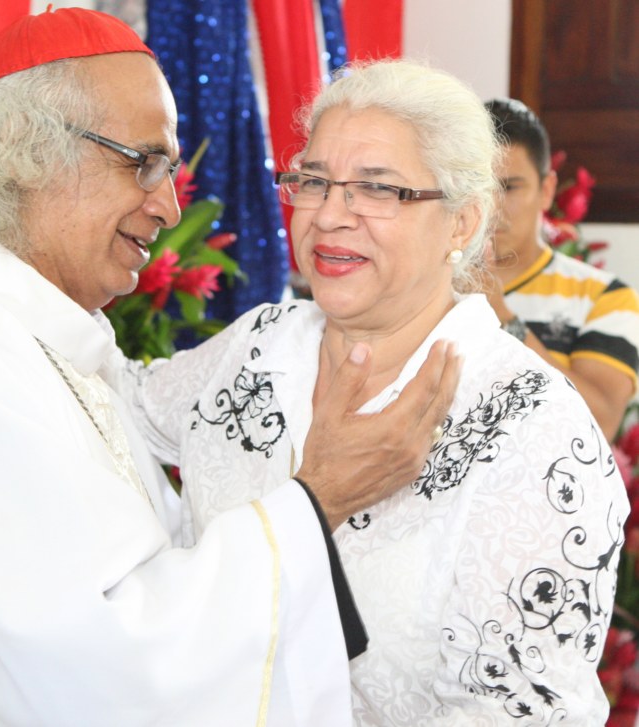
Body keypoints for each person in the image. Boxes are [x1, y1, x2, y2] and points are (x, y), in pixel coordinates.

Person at [0, 10, 460, 727]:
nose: (169, 207)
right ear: (24, 151)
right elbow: (94, 669)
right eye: (143, 162)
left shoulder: (20, 340)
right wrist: (318, 498)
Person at [109, 60, 630, 724]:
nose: (329, 215)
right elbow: (113, 406)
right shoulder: (262, 343)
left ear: (463, 222)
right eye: (314, 181)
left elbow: (520, 712)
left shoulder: (531, 425)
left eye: (378, 189)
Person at [483, 98, 639, 441]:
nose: (490, 205)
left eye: (508, 187)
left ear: (547, 190)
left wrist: (500, 316)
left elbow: (601, 423)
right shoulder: (424, 284)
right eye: (477, 185)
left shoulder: (605, 296)